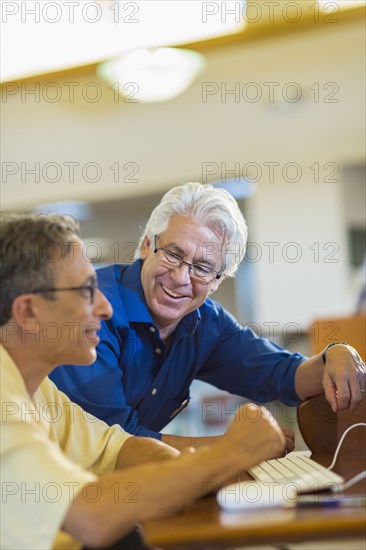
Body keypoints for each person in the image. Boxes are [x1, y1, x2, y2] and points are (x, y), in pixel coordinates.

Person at [0, 213, 286, 550]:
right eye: (87, 291)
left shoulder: (40, 389)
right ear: (29, 312)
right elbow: (90, 516)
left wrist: (218, 465)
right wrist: (233, 454)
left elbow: (118, 448)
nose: (105, 308)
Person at [50, 183, 366, 451]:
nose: (180, 277)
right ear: (147, 245)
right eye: (173, 254)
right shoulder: (91, 309)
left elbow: (280, 374)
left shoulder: (206, 323)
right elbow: (110, 441)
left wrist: (336, 355)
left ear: (217, 280)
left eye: (202, 268)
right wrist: (235, 449)